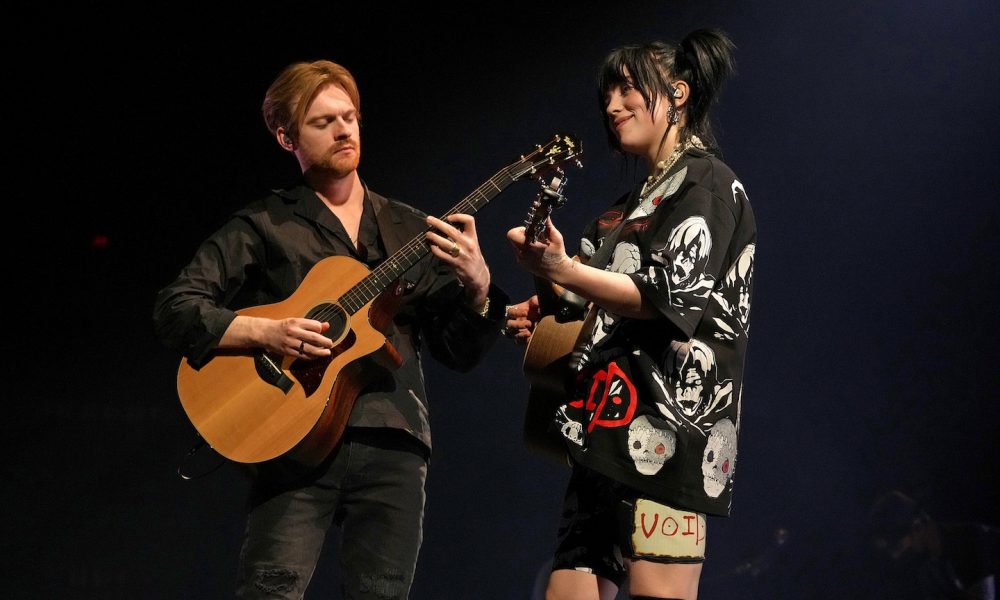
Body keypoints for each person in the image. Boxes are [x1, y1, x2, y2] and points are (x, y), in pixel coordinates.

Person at [152, 59, 508, 599]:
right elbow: (176, 307)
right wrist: (263, 333)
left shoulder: (411, 228)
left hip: (394, 434)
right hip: (289, 436)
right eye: (323, 122)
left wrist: (480, 286)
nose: (344, 130)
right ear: (285, 136)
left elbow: (457, 351)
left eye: (350, 117)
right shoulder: (264, 223)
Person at [506, 29, 755, 599]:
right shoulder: (623, 212)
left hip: (671, 429)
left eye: (627, 90)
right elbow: (578, 301)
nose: (613, 107)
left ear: (678, 94)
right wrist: (536, 302)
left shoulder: (709, 183)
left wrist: (566, 271)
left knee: (657, 595)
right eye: (607, 97)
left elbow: (670, 297)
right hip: (604, 436)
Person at [867, 490, 1000, 599]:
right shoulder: (930, 571)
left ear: (917, 527)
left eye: (897, 546)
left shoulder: (970, 540)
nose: (895, 556)